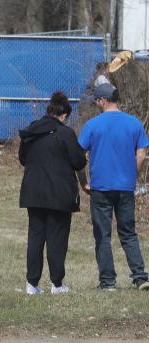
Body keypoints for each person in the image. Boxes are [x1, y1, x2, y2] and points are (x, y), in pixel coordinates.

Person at [78, 83, 149, 291]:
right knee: (128, 232)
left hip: (100, 186)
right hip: (125, 186)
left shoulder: (92, 125)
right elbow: (142, 154)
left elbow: (79, 156)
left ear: (102, 100)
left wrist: (83, 182)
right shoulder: (134, 123)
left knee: (103, 235)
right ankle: (140, 277)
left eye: (97, 101)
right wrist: (132, 174)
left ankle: (108, 282)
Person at [18, 91, 88, 295]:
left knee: (36, 236)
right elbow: (78, 161)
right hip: (59, 194)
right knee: (57, 238)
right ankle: (57, 284)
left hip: (34, 192)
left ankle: (31, 284)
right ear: (64, 115)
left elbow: (23, 158)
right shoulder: (65, 133)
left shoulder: (31, 130)